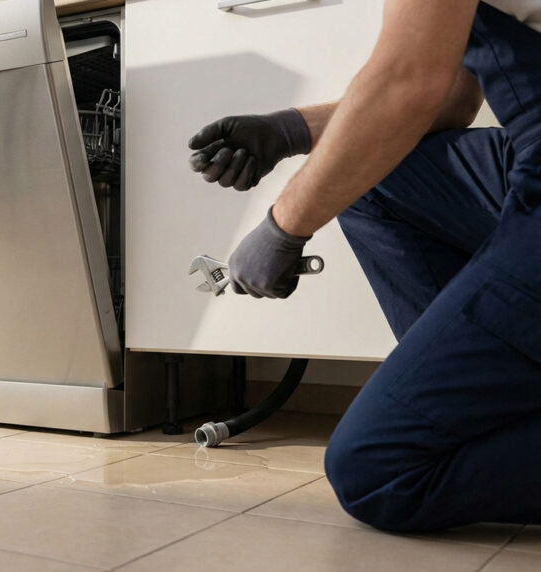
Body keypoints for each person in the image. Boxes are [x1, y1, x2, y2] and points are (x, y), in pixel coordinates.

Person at [188, 0, 541, 532]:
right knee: (373, 172)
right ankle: (484, 406)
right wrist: (286, 131)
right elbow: (445, 95)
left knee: (377, 470)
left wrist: (283, 229)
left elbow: (407, 83)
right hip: (523, 156)